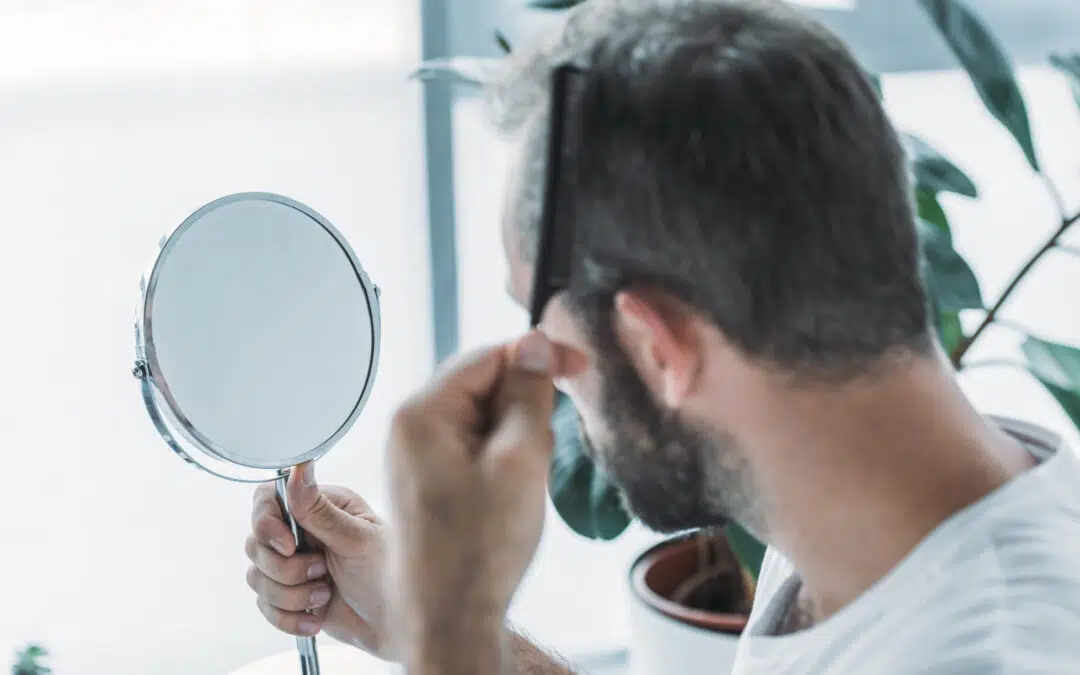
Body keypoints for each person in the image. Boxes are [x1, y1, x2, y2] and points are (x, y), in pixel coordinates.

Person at [243, 0, 1080, 673]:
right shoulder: (868, 515)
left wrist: (451, 635)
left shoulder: (985, 651)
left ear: (655, 346)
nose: (551, 381)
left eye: (548, 340)